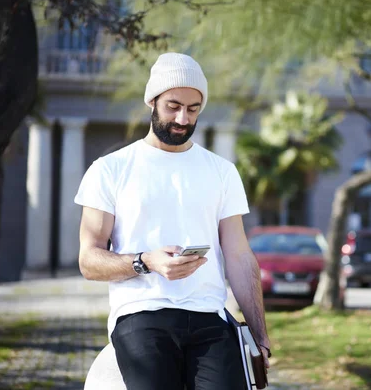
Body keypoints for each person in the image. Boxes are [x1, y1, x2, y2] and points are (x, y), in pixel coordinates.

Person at [74, 52, 270, 390]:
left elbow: (239, 256)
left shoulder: (222, 172)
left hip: (210, 318)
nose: (183, 118)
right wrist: (146, 261)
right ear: (152, 101)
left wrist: (260, 336)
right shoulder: (110, 169)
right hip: (140, 316)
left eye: (193, 109)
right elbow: (89, 260)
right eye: (173, 105)